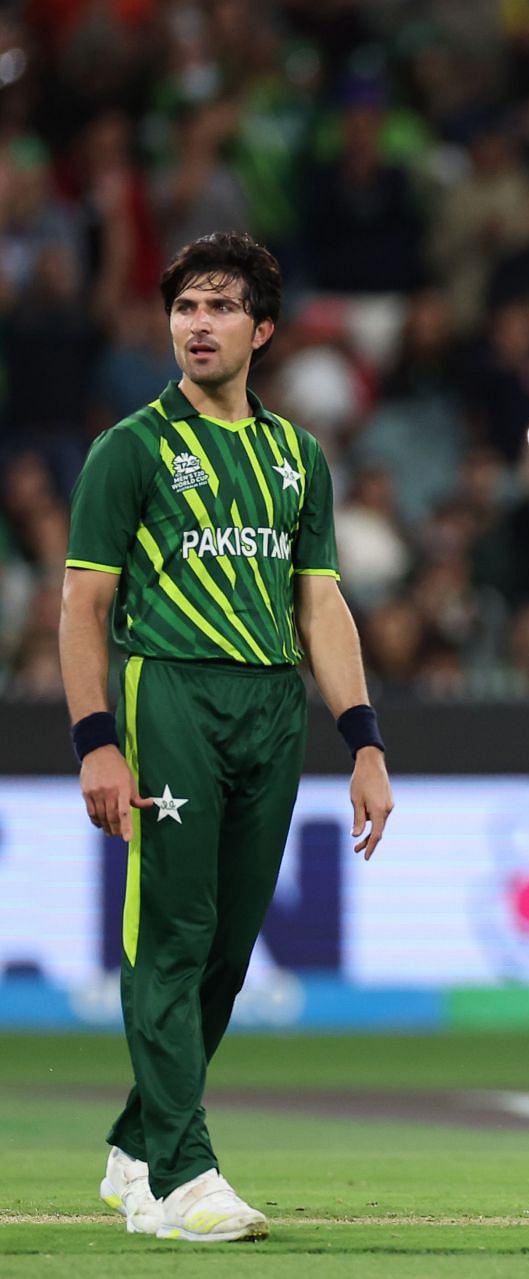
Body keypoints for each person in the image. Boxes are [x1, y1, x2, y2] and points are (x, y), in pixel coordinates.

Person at [59, 231, 395, 1242]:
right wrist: (94, 739)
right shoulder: (132, 448)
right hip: (169, 697)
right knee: (172, 936)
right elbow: (82, 606)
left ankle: (135, 1147)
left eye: (217, 307)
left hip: (270, 707)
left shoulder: (296, 459)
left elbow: (321, 609)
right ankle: (184, 1177)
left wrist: (365, 740)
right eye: (184, 307)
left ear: (262, 329)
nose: (196, 325)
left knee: (229, 956)